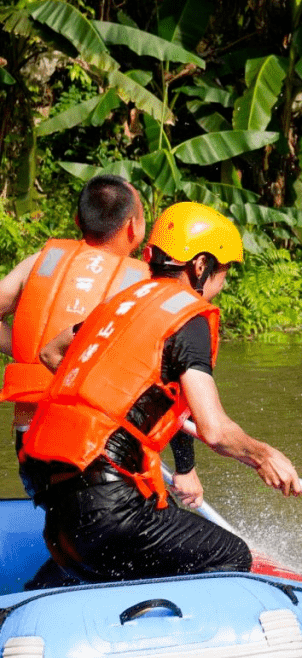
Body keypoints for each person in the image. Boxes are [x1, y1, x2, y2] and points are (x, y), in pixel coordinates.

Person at [19, 201, 301, 584]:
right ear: (200, 266)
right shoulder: (188, 317)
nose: (222, 284)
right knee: (233, 553)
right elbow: (215, 431)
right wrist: (262, 454)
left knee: (142, 531)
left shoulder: (116, 306)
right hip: (112, 513)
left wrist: (115, 402)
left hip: (59, 519)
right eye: (224, 272)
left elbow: (50, 352)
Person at [0, 175, 202, 509]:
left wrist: (29, 349)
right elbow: (171, 380)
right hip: (95, 454)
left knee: (65, 507)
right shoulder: (144, 285)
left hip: (32, 451)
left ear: (79, 221)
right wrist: (186, 468)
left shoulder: (40, 262)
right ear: (132, 227)